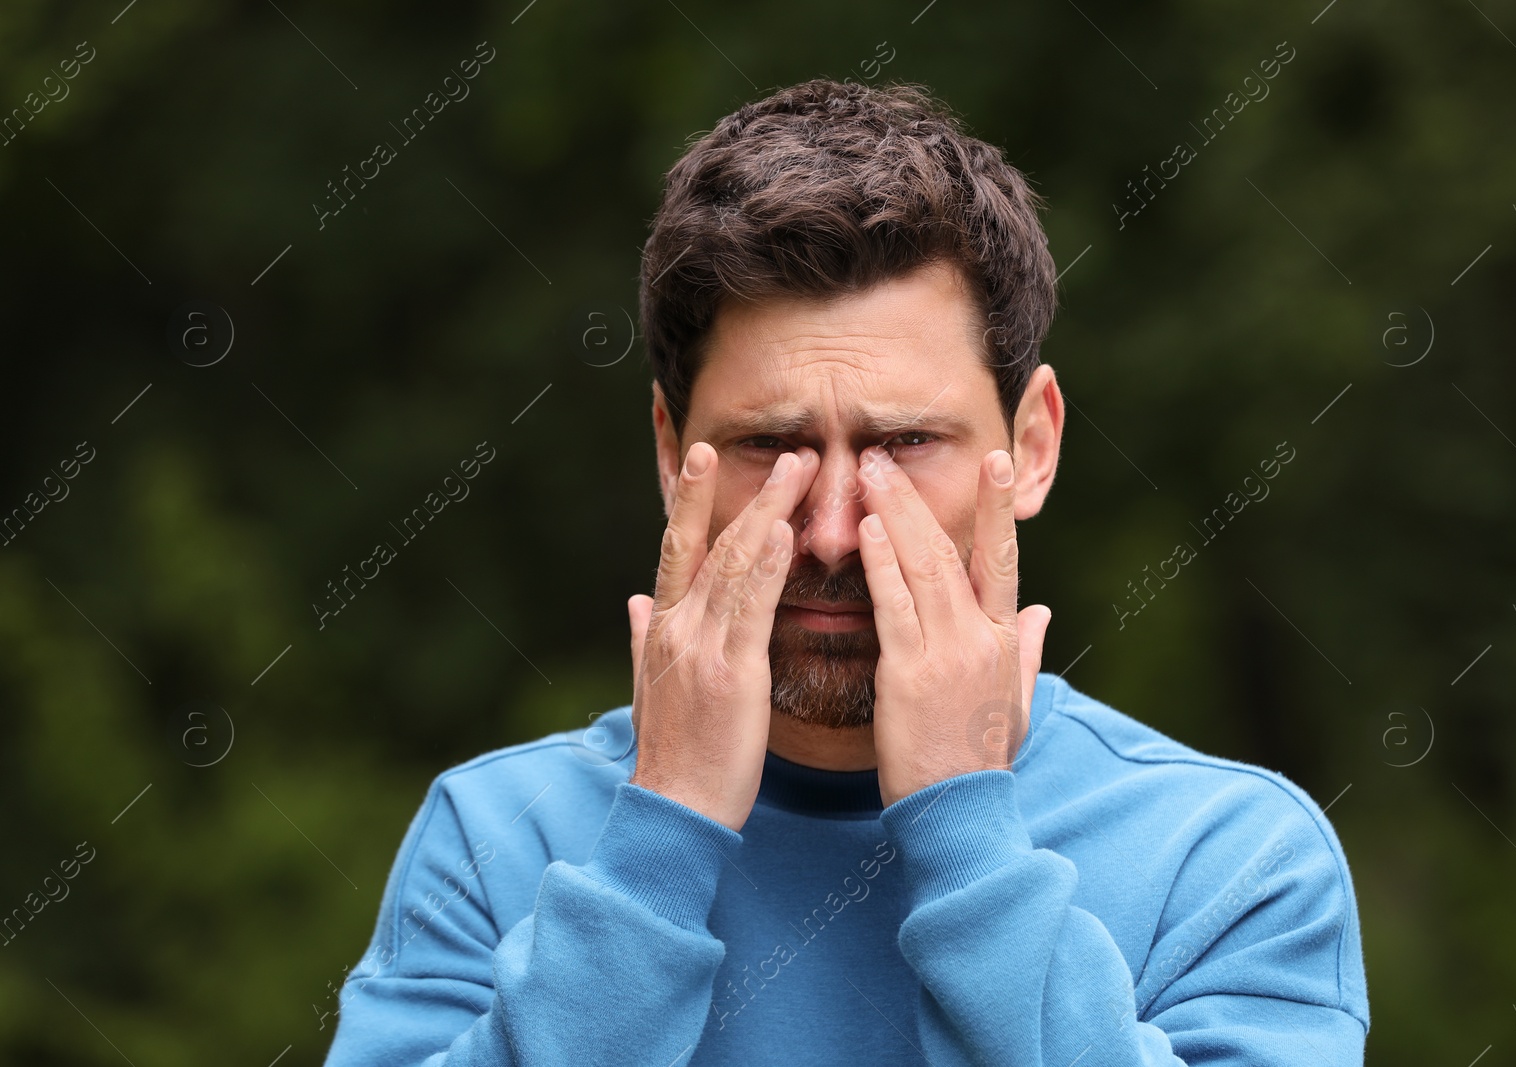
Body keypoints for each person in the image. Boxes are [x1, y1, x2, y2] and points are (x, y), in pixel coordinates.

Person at [322, 77, 1369, 1065]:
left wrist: (969, 837)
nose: (828, 530)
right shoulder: (495, 837)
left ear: (1034, 445)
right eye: (769, 446)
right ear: (665, 449)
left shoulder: (1229, 857)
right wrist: (657, 841)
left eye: (904, 443)